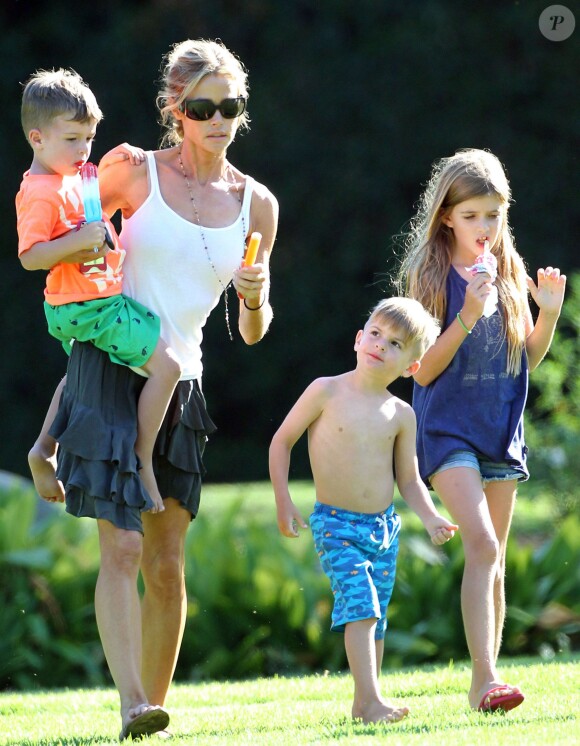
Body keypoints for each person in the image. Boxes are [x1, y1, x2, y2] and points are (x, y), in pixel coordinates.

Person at [27, 40, 278, 741]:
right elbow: (61, 221)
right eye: (203, 108)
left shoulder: (257, 205)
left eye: (231, 106)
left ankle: (153, 714)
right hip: (112, 370)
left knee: (166, 565)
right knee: (125, 552)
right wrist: (72, 280)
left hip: (181, 385)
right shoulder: (131, 171)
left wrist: (254, 300)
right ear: (176, 110)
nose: (218, 120)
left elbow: (253, 332)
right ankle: (131, 702)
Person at [395, 148, 566, 713]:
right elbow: (421, 370)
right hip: (447, 434)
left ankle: (488, 681)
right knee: (484, 544)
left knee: (492, 561)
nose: (484, 228)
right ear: (447, 215)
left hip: (500, 434)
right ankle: (485, 678)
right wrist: (467, 312)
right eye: (471, 216)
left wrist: (548, 313)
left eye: (493, 215)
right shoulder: (432, 276)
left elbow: (527, 359)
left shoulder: (510, 271)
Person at [269, 297, 458, 725]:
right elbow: (282, 441)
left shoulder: (401, 414)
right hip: (336, 524)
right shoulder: (326, 390)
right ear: (359, 338)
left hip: (383, 530)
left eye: (395, 343)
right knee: (362, 606)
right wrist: (283, 499)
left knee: (377, 617)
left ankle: (364, 702)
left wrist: (430, 516)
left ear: (411, 365)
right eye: (375, 334)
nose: (380, 345)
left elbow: (408, 480)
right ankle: (371, 703)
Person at [17, 68, 181, 514]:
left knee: (81, 375)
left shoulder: (67, 179)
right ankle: (142, 459)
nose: (83, 150)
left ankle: (43, 447)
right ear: (37, 138)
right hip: (91, 306)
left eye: (89, 138)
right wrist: (82, 242)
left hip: (87, 304)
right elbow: (30, 255)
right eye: (72, 139)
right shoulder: (41, 194)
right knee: (168, 367)